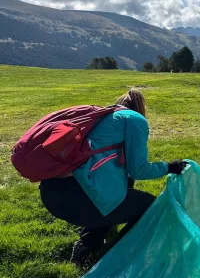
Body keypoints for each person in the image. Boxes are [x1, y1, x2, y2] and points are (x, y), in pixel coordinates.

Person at [39, 89, 187, 265]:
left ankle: (86, 247)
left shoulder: (101, 117)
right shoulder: (134, 120)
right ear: (140, 108)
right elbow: (139, 169)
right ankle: (111, 260)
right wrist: (170, 167)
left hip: (52, 194)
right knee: (152, 208)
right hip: (79, 198)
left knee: (122, 190)